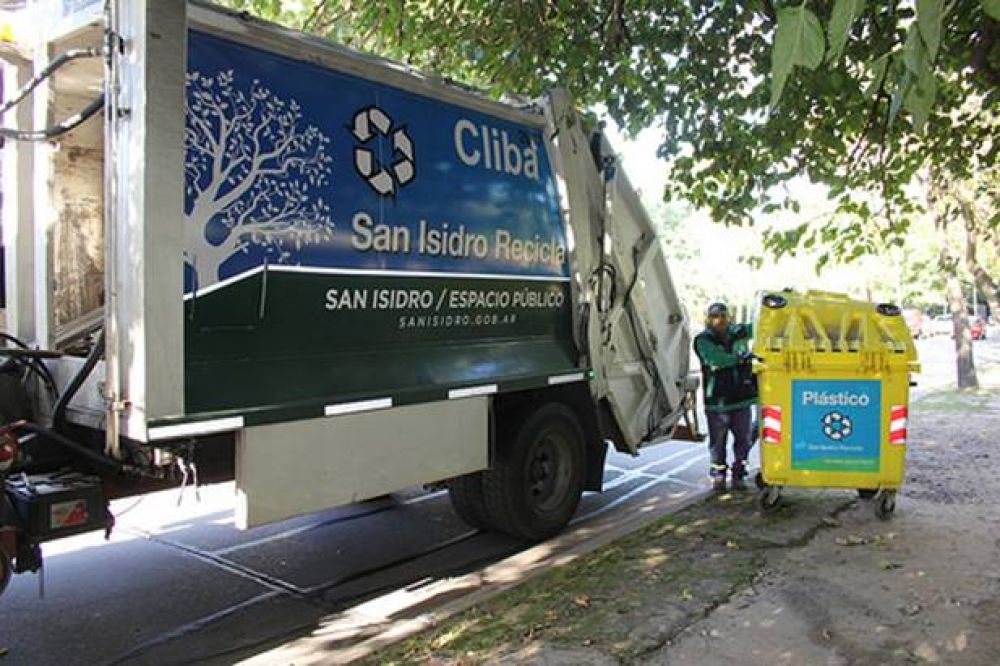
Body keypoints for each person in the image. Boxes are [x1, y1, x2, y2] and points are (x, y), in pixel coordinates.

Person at [693, 302, 758, 491]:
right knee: (718, 443)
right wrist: (740, 358)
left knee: (744, 439)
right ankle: (719, 475)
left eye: (722, 316)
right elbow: (716, 360)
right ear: (708, 319)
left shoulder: (739, 332)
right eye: (715, 316)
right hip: (718, 403)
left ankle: (739, 473)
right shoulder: (703, 340)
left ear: (728, 317)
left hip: (742, 400)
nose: (719, 320)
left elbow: (761, 326)